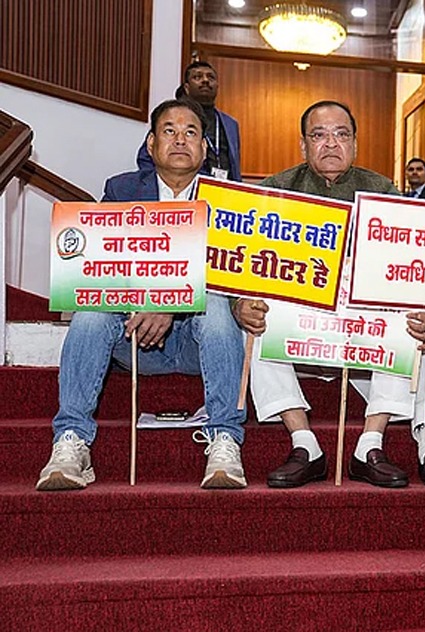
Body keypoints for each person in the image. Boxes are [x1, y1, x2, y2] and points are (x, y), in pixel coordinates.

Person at [234, 101, 425, 489]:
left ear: (355, 143)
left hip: (361, 318)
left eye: (341, 134)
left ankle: (369, 445)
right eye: (319, 135)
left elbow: (405, 266)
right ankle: (304, 443)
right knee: (256, 314)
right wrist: (241, 303)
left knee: (406, 314)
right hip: (300, 318)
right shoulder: (274, 190)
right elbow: (246, 264)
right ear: (303, 145)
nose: (331, 143)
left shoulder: (382, 190)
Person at [37, 99, 248, 491]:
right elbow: (95, 268)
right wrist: (149, 300)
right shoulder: (121, 190)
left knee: (219, 305)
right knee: (91, 312)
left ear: (204, 148)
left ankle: (225, 439)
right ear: (151, 144)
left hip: (201, 340)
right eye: (169, 131)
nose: (180, 140)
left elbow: (237, 277)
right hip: (135, 340)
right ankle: (71, 441)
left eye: (191, 132)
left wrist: (170, 302)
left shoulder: (230, 200)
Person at [137, 61, 241, 182]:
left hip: (226, 189)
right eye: (198, 77)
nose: (205, 80)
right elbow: (145, 158)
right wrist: (166, 185)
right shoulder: (172, 117)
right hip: (187, 188)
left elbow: (235, 165)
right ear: (186, 87)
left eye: (211, 77)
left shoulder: (231, 124)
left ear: (217, 86)